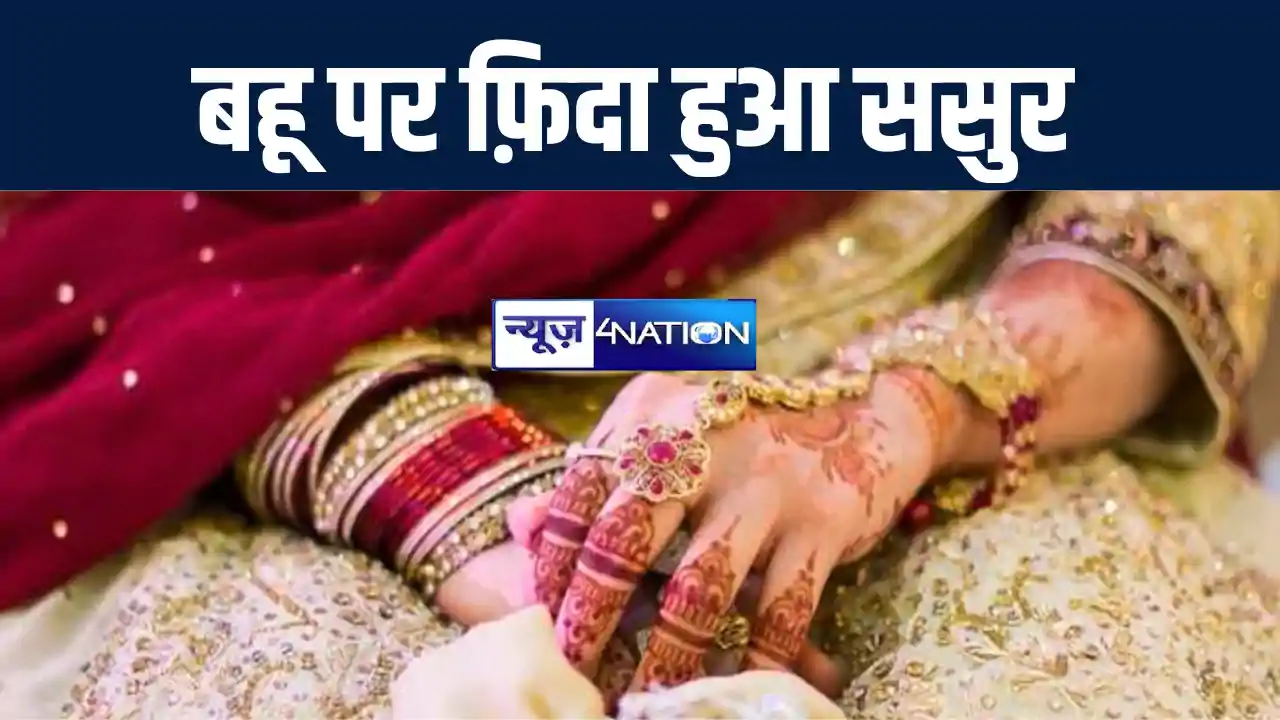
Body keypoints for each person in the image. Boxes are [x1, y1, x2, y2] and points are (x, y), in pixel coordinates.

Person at [1, 191, 1277, 718]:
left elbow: (1160, 201)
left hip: (962, 409)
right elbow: (125, 219)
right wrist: (426, 461)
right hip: (382, 387)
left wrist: (875, 425)